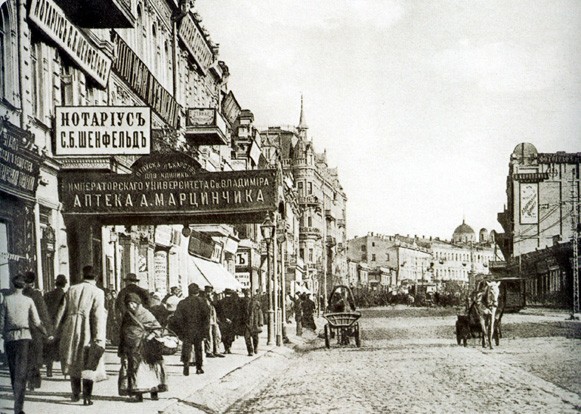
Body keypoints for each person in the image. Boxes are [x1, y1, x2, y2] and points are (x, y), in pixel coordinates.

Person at [55, 265, 107, 406]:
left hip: (70, 328)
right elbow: (97, 315)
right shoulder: (98, 292)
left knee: (73, 359)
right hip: (87, 329)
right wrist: (98, 337)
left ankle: (75, 394)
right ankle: (87, 397)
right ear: (95, 276)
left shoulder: (71, 289)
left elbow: (61, 311)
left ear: (82, 275)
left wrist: (56, 330)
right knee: (88, 360)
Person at [0, 273, 51, 414]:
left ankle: (16, 398)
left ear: (12, 284)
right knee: (21, 372)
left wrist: (4, 333)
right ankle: (19, 407)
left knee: (13, 370)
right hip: (24, 338)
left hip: (10, 339)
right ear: (24, 285)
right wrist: (45, 332)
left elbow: (1, 322)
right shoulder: (28, 301)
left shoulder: (5, 301)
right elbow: (36, 321)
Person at [118, 293, 167, 403]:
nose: (131, 306)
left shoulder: (145, 313)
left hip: (145, 347)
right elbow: (123, 330)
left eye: (133, 303)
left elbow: (157, 328)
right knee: (134, 369)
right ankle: (138, 394)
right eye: (128, 303)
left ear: (137, 303)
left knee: (148, 369)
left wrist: (149, 336)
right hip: (131, 346)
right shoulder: (127, 315)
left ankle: (153, 392)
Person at [23, 271, 53, 390]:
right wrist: (48, 331)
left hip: (23, 329)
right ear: (34, 282)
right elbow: (43, 313)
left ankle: (26, 380)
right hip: (35, 330)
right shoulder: (36, 295)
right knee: (34, 356)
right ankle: (33, 382)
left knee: (24, 356)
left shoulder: (21, 293)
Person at [170, 283, 210, 375]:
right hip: (199, 330)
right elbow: (206, 318)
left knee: (186, 348)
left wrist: (180, 331)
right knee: (198, 349)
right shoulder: (202, 302)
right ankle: (199, 368)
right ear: (197, 292)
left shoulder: (182, 303)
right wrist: (205, 332)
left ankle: (186, 365)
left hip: (186, 329)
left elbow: (177, 318)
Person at [43, 274, 67, 378]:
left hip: (49, 324)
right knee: (62, 348)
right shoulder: (66, 296)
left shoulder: (47, 295)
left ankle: (49, 370)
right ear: (65, 284)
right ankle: (64, 370)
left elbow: (44, 310)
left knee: (49, 348)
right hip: (62, 325)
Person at [238, 289, 263, 356]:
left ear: (250, 294)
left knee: (255, 337)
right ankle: (250, 351)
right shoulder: (242, 303)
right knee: (247, 337)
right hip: (246, 323)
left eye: (248, 294)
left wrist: (260, 322)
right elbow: (240, 313)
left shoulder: (255, 302)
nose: (247, 295)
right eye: (246, 294)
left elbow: (260, 312)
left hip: (254, 323)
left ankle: (255, 347)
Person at [201, 286, 224, 358]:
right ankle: (209, 351)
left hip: (214, 318)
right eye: (207, 291)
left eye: (210, 291)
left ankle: (217, 350)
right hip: (207, 319)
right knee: (209, 335)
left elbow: (217, 306)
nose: (208, 292)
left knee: (217, 335)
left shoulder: (214, 298)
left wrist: (211, 300)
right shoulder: (202, 298)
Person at [216, 288, 239, 354]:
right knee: (231, 335)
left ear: (224, 294)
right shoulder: (234, 302)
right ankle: (229, 348)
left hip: (223, 321)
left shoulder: (220, 301)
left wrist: (224, 318)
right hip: (232, 321)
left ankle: (226, 348)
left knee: (224, 334)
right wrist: (231, 319)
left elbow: (219, 312)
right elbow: (236, 311)